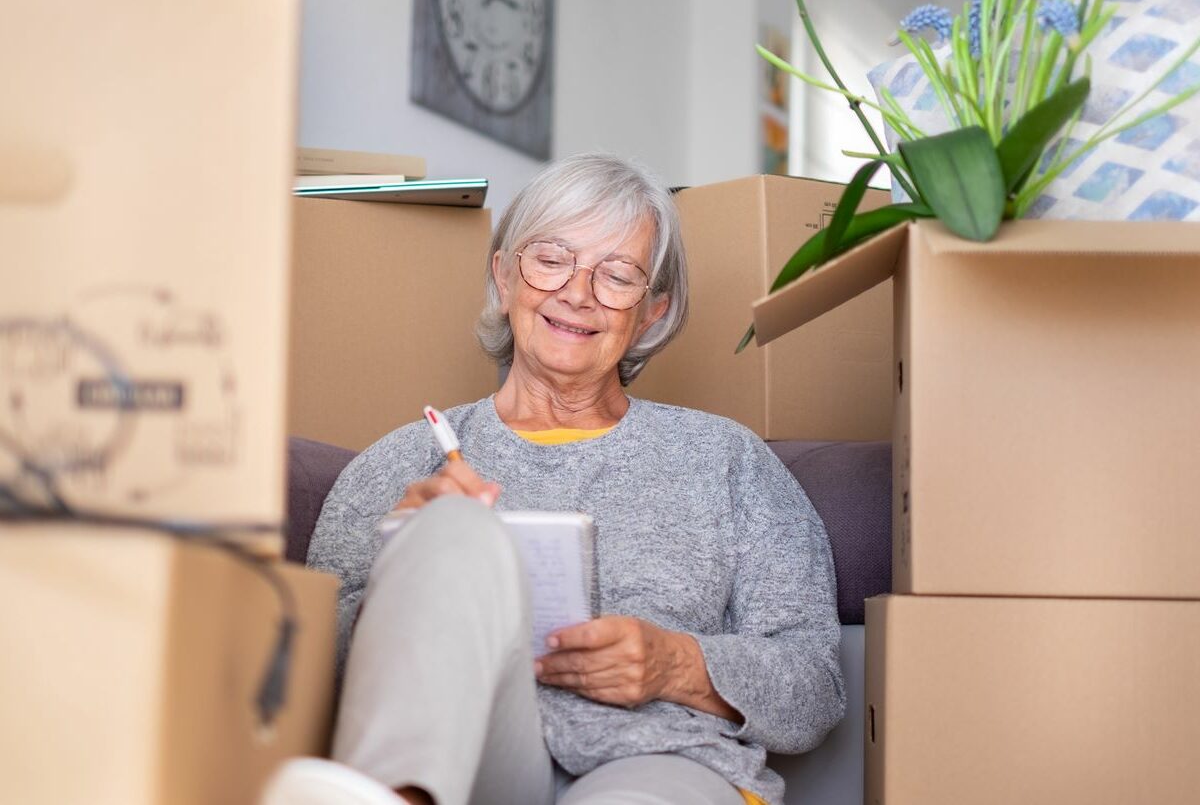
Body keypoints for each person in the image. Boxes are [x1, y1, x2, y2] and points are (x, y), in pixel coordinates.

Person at [261, 153, 844, 805]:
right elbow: (308, 680)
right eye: (550, 259)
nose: (578, 291)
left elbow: (816, 690)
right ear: (504, 277)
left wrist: (675, 663)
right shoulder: (400, 462)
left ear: (652, 310)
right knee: (449, 526)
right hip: (475, 766)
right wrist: (409, 571)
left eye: (617, 274)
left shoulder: (727, 459)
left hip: (660, 761)